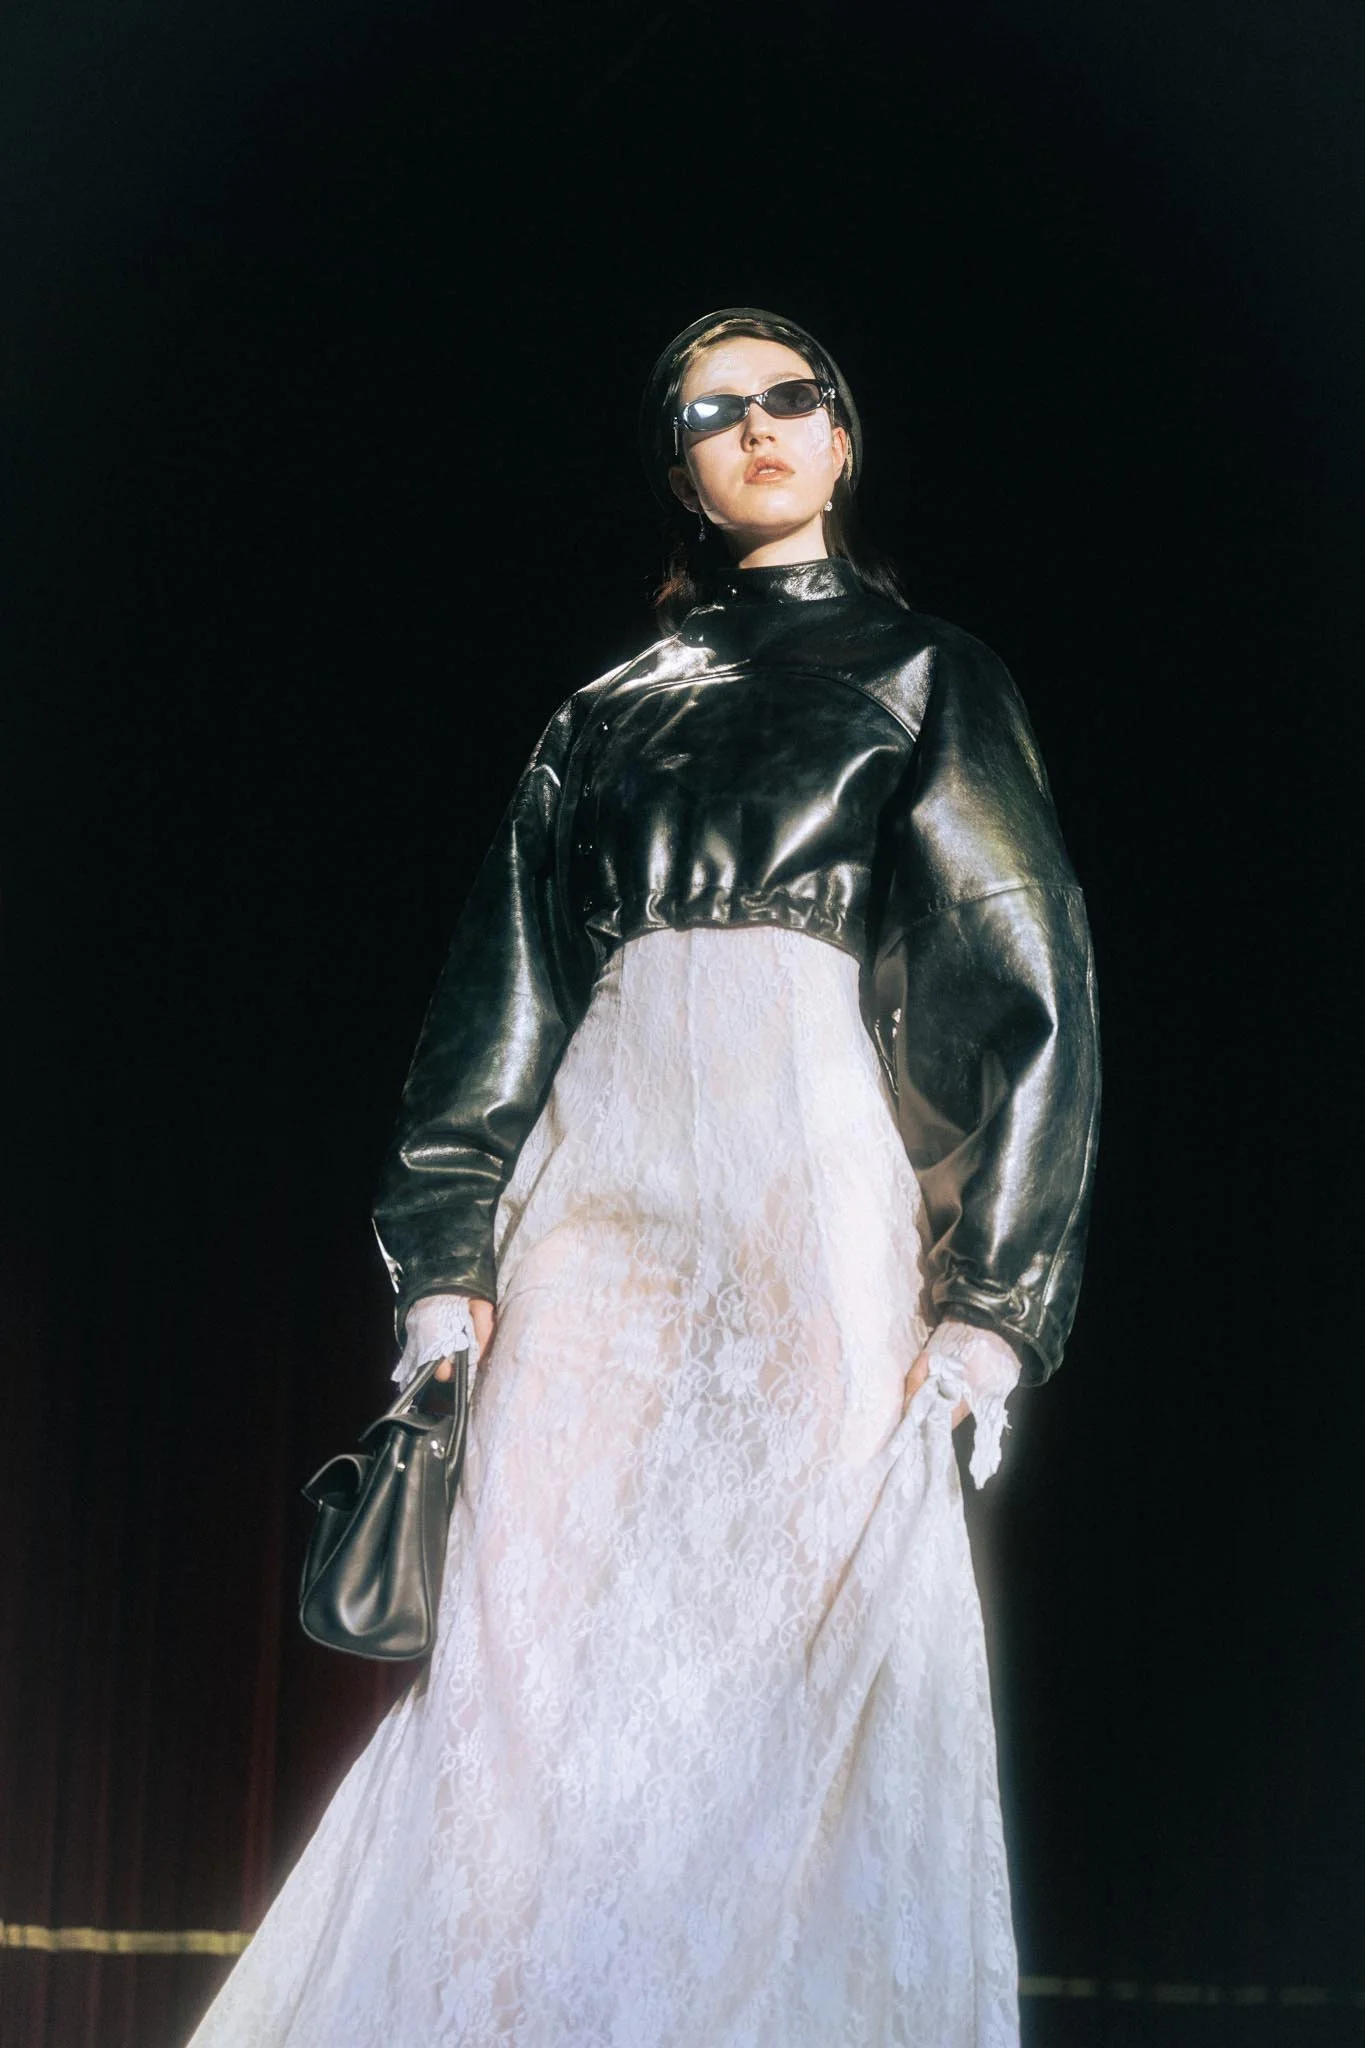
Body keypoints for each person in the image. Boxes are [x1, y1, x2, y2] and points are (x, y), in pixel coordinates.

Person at [188, 307, 1100, 2048]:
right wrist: (444, 1266)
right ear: (679, 472)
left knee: (813, 1603)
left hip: (808, 1160)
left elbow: (1026, 974)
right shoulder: (598, 717)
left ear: (842, 435)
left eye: (790, 397)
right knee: (522, 1638)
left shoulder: (932, 674)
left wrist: (995, 1298)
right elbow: (498, 1007)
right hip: (600, 1176)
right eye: (713, 411)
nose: (757, 426)